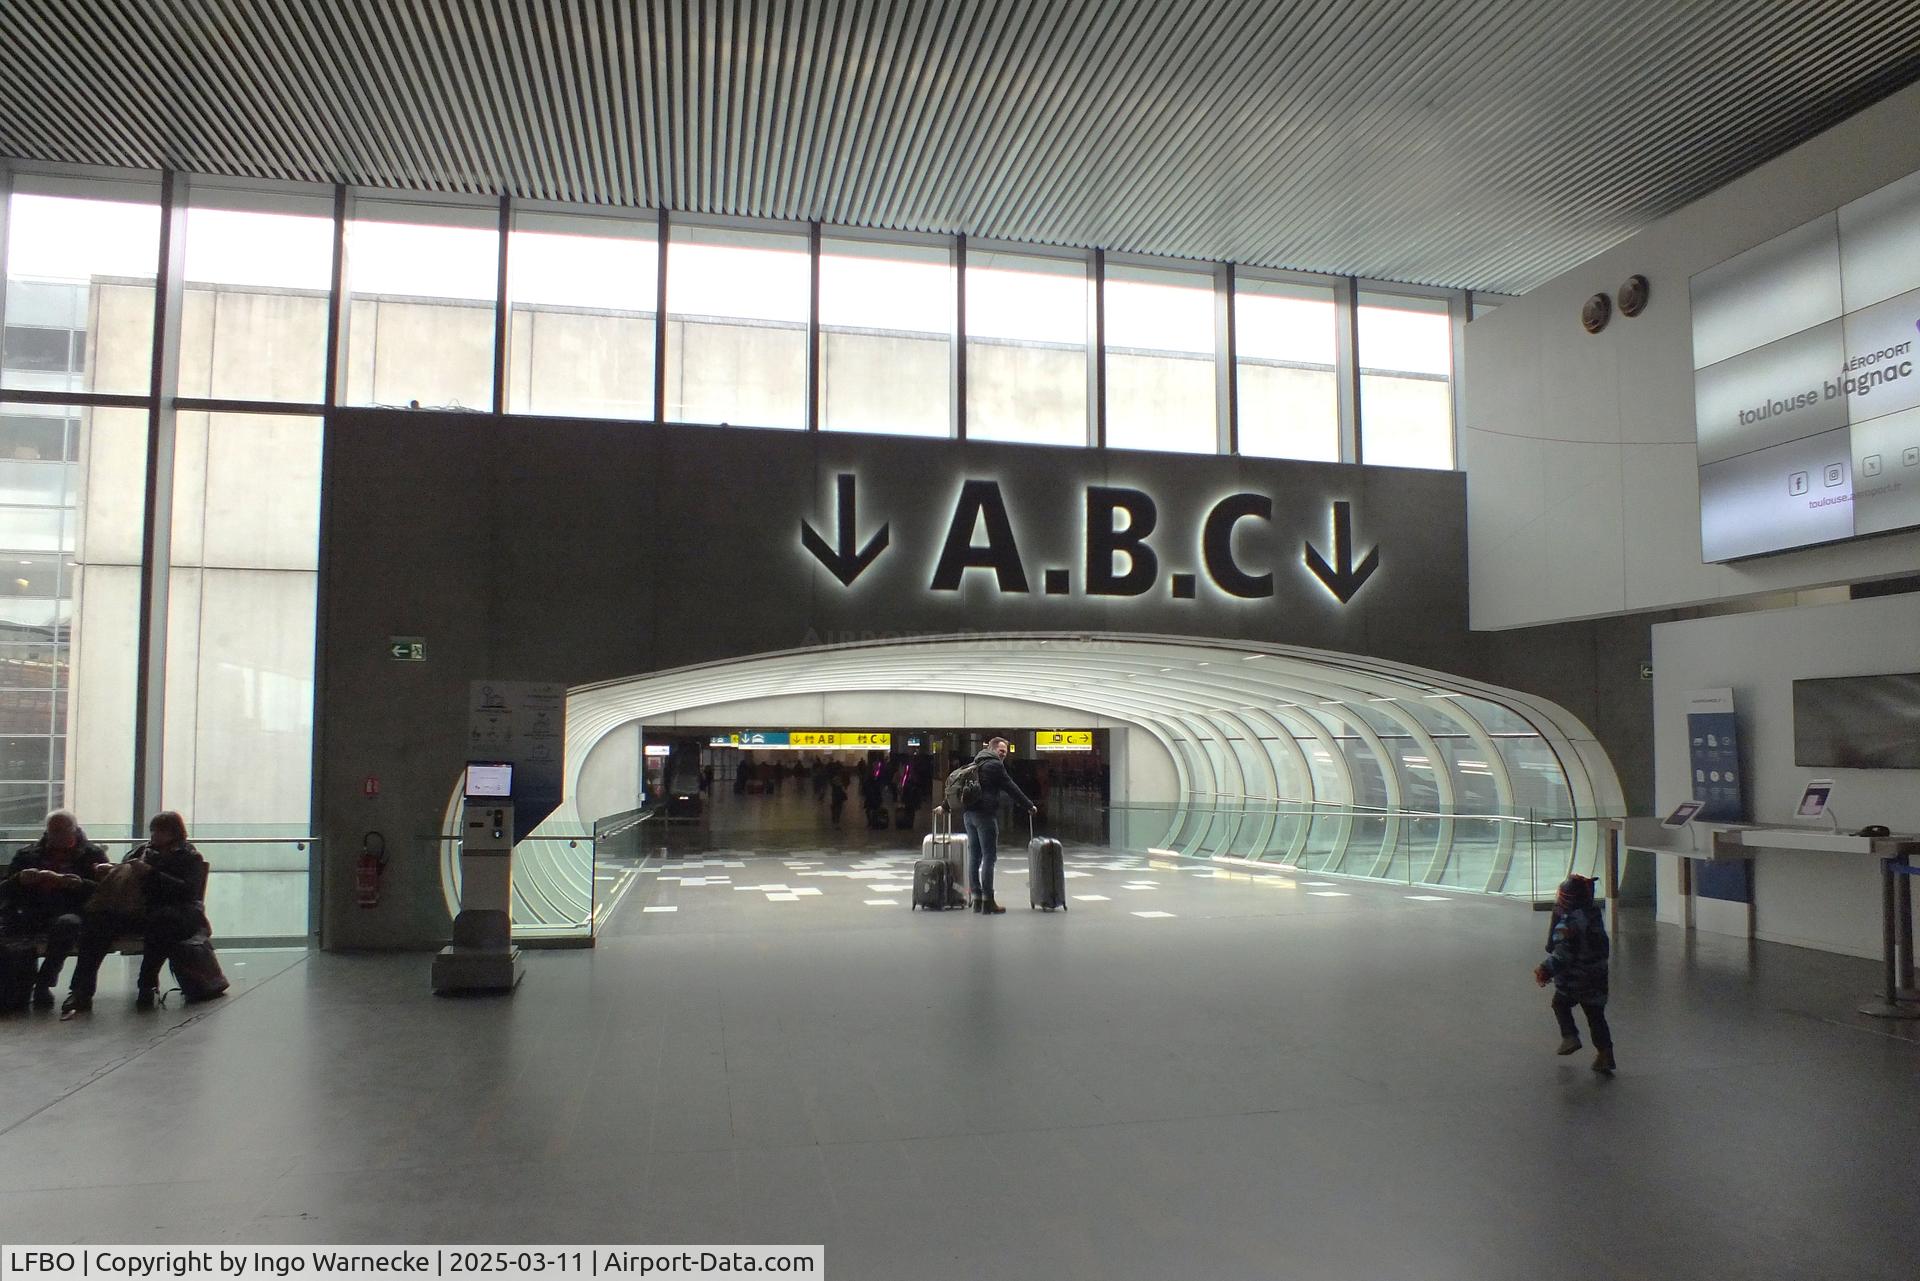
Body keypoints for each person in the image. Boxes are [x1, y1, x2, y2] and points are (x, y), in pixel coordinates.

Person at [63, 811, 209, 1017]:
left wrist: (152, 874)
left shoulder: (189, 857)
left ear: (174, 833)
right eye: (153, 831)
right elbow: (125, 878)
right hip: (135, 909)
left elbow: (187, 891)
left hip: (172, 912)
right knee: (97, 924)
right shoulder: (140, 852)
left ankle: (146, 984)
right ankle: (81, 990)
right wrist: (111, 871)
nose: (155, 836)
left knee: (161, 923)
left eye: (161, 831)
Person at [0, 810, 109, 1008]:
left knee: (67, 925)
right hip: (33, 911)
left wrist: (79, 884)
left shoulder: (92, 855)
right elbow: (5, 890)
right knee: (13, 928)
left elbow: (106, 891)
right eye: (53, 832)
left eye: (62, 831)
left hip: (72, 911)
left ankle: (43, 982)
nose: (56, 836)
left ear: (74, 831)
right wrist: (19, 880)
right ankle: (20, 987)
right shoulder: (27, 854)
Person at [937, 736, 1035, 915]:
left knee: (975, 857)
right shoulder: (995, 765)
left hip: (969, 816)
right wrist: (1029, 805)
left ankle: (977, 899)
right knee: (989, 857)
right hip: (985, 817)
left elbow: (959, 785)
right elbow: (1011, 787)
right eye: (1001, 751)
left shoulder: (975, 762)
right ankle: (988, 900)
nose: (1003, 755)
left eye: (1005, 752)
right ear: (992, 749)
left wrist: (944, 806)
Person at [1533, 874, 1614, 1073]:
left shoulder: (1567, 924)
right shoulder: (1593, 917)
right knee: (1596, 1016)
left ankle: (1570, 1037)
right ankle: (1605, 1055)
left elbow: (1562, 954)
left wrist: (1545, 969)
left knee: (1559, 1003)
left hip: (1574, 980)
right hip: (1597, 977)